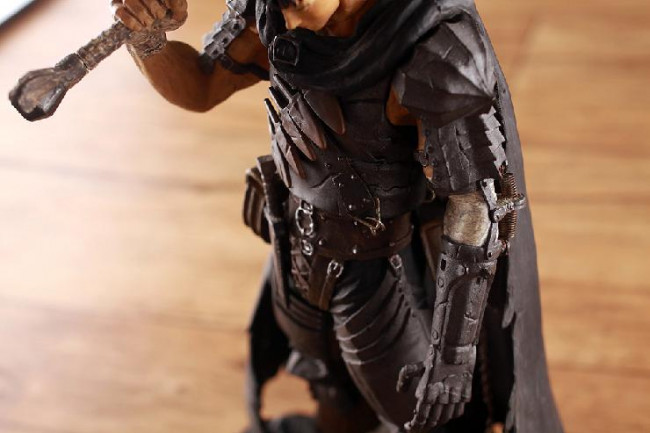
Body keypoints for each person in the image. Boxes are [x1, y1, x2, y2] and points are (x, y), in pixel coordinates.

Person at [111, 1, 564, 432]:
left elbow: (476, 208)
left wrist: (451, 357)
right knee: (332, 390)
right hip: (297, 244)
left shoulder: (436, 52)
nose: (285, 21)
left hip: (379, 268)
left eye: (294, 3)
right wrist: (148, 39)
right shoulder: (272, 14)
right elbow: (201, 85)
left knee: (416, 412)